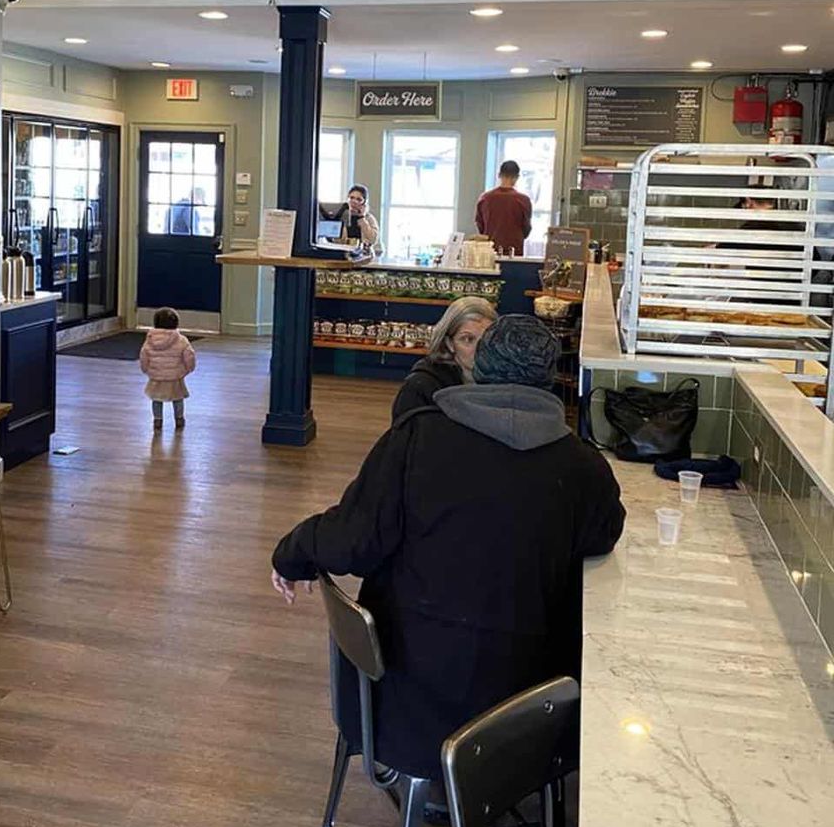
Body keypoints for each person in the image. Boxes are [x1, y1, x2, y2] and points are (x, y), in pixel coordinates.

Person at [270, 314, 624, 780]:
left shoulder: (417, 437)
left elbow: (352, 539)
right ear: (549, 379)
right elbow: (603, 535)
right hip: (526, 718)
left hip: (407, 703)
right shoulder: (583, 468)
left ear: (481, 366)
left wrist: (293, 553)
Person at [391, 295, 496, 418]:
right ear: (449, 344)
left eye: (487, 339)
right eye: (467, 339)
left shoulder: (505, 383)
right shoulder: (420, 387)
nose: (480, 349)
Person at [138, 307, 196, 429]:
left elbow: (144, 356)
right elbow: (189, 356)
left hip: (156, 377)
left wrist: (146, 370)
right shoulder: (181, 340)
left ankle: (157, 420)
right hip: (175, 376)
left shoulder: (150, 340)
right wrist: (188, 369)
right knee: (178, 398)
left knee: (156, 399)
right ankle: (179, 419)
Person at [475, 160, 532, 256]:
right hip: (514, 252)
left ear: (499, 175)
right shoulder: (523, 200)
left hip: (490, 252)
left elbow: (480, 226)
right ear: (517, 177)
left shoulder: (485, 198)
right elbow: (526, 229)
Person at [322, 184, 381, 252]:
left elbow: (373, 240)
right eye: (352, 198)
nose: (354, 202)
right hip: (342, 252)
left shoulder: (369, 218)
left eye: (359, 199)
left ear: (364, 202)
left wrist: (362, 218)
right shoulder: (341, 216)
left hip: (362, 253)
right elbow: (333, 240)